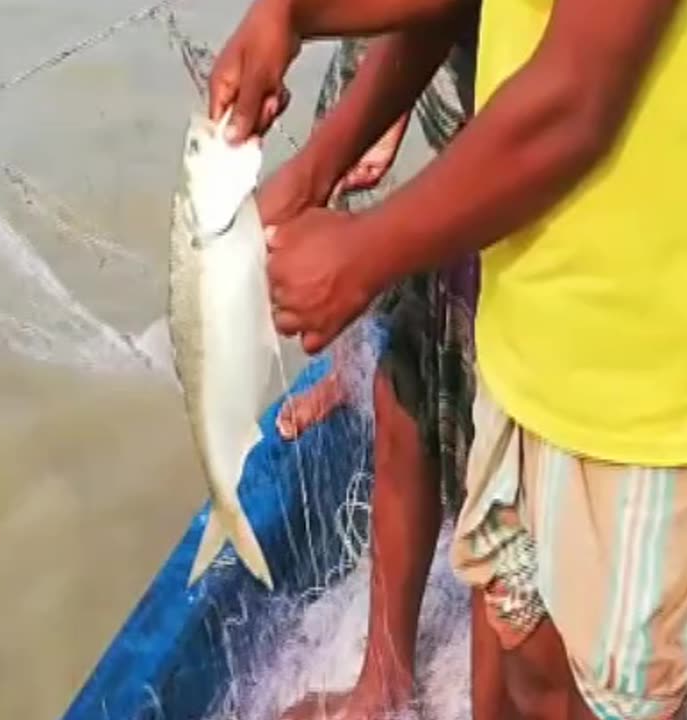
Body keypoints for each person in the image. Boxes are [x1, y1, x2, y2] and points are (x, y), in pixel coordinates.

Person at [211, 0, 687, 717]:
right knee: (525, 656)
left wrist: (360, 254)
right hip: (527, 325)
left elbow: (574, 101)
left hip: (643, 372)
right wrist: (295, 29)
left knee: (598, 701)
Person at [260, 31, 482, 719]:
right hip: (472, 183)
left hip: (547, 204)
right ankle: (382, 684)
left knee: (513, 507)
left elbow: (569, 110)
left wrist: (283, 15)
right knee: (400, 391)